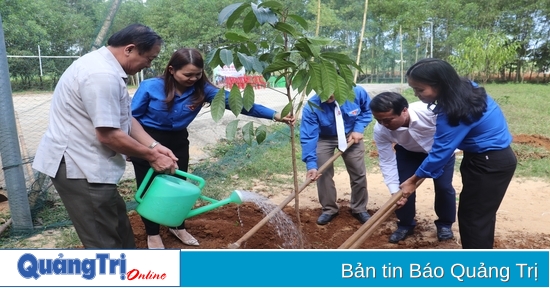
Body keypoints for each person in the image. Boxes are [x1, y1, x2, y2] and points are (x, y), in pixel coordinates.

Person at [131, 48, 295, 249]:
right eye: (187, 75)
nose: (193, 79)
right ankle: (153, 233)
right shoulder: (150, 87)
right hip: (146, 139)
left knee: (179, 184)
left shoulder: (204, 90)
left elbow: (241, 104)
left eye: (197, 74)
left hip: (178, 140)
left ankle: (177, 226)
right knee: (148, 187)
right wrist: (133, 148)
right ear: (172, 70)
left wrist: (274, 115)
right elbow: (130, 118)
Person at [32, 24, 178, 248]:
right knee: (104, 243)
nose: (148, 65)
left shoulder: (106, 68)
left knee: (118, 228)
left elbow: (124, 117)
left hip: (90, 166)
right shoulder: (101, 75)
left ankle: (130, 274)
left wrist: (153, 144)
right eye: (149, 58)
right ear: (129, 49)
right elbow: (108, 135)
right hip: (80, 168)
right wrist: (152, 156)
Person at [399, 58, 517, 249]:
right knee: (479, 216)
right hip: (492, 159)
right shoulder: (466, 87)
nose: (416, 94)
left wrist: (413, 180)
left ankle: (478, 271)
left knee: (473, 219)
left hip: (489, 164)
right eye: (414, 89)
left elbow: (440, 152)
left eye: (420, 90)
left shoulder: (455, 111)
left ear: (441, 85)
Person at [370, 92, 456, 243]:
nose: (384, 124)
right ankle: (405, 225)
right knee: (402, 188)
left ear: (404, 110)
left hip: (440, 152)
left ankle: (444, 224)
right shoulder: (381, 129)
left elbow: (450, 136)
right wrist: (393, 190)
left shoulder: (430, 113)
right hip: (409, 152)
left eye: (388, 120)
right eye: (379, 120)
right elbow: (387, 160)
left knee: (444, 187)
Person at [300, 86, 373, 225]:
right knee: (322, 172)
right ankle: (329, 209)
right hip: (324, 137)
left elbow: (367, 110)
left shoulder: (356, 92)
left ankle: (359, 208)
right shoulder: (312, 106)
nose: (327, 97)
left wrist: (358, 128)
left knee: (358, 172)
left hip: (350, 134)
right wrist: (311, 164)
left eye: (331, 92)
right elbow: (309, 136)